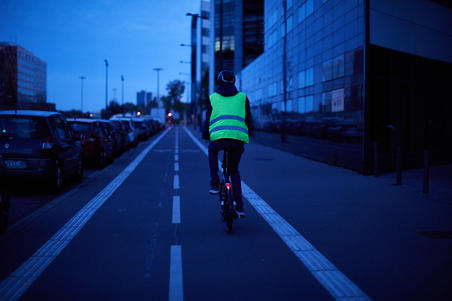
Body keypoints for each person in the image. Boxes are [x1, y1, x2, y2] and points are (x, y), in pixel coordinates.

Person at [202, 70, 253, 217]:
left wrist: (206, 135)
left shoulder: (213, 98)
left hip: (218, 139)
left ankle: (214, 183)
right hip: (237, 139)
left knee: (212, 151)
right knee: (233, 170)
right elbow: (248, 119)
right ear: (233, 82)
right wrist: (246, 135)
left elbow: (208, 119)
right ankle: (240, 207)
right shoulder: (243, 97)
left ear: (219, 82)